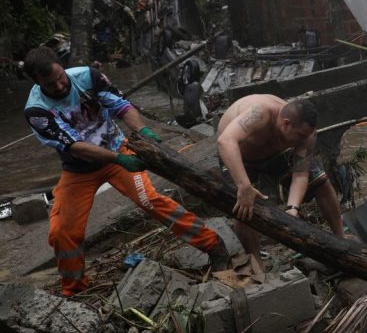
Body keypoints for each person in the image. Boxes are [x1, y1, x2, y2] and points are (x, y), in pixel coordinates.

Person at [21, 47, 229, 297]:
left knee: (149, 200)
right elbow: (75, 146)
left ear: (62, 67)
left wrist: (142, 132)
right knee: (61, 230)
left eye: (60, 78)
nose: (59, 86)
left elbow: (121, 106)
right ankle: (75, 290)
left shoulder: (88, 76)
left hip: (116, 146)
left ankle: (213, 246)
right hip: (79, 168)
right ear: (37, 83)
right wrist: (119, 159)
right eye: (50, 84)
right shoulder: (37, 111)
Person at [216, 94, 348, 272]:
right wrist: (244, 185)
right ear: (285, 123)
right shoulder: (260, 112)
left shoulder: (306, 134)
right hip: (238, 154)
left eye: (305, 136)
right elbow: (225, 140)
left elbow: (300, 174)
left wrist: (293, 207)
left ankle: (342, 242)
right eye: (299, 135)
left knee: (320, 181)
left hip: (276, 153)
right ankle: (256, 265)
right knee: (243, 206)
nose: (302, 140)